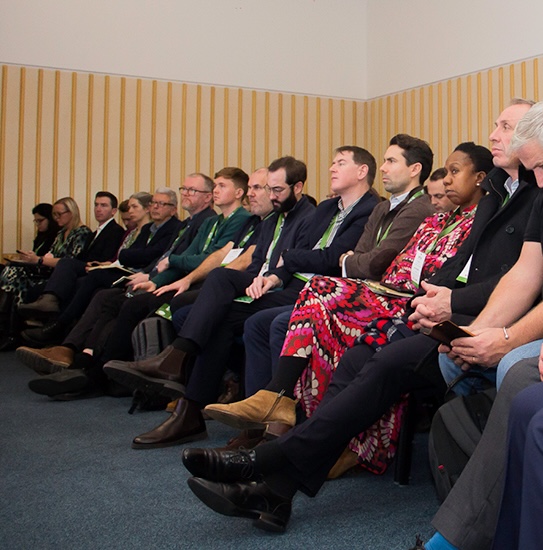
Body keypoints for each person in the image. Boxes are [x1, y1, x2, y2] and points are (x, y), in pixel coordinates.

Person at [176, 101, 540, 534]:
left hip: (489, 316)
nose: (495, 134)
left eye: (506, 126)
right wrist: (433, 297)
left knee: (384, 358)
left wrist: (464, 312)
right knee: (357, 356)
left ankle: (271, 460)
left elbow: (520, 278)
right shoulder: (500, 187)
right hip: (459, 310)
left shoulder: (521, 190)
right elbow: (471, 265)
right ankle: (277, 487)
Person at [203, 142, 491, 467]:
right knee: (317, 315)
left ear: (480, 178)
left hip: (409, 301)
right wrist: (358, 265)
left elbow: (376, 262)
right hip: (383, 290)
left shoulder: (463, 219)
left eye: (455, 172)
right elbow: (385, 263)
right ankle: (294, 425)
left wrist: (356, 264)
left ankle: (282, 405)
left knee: (319, 291)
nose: (447, 180)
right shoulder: (433, 220)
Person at [104, 148, 381, 447]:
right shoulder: (327, 209)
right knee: (216, 301)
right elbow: (299, 256)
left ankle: (188, 387)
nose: (331, 168)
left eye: (340, 163)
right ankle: (194, 405)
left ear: (362, 171)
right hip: (290, 283)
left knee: (228, 312)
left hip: (319, 293)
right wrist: (277, 273)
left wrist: (286, 263)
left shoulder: (369, 209)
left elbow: (331, 258)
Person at [20, 168, 250, 397]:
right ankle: (84, 361)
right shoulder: (212, 222)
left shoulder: (239, 220)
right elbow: (186, 257)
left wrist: (169, 268)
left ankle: (96, 374)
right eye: (214, 185)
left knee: (131, 304)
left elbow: (206, 259)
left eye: (221, 186)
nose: (215, 190)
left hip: (203, 285)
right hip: (186, 280)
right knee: (113, 298)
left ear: (238, 192)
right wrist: (156, 280)